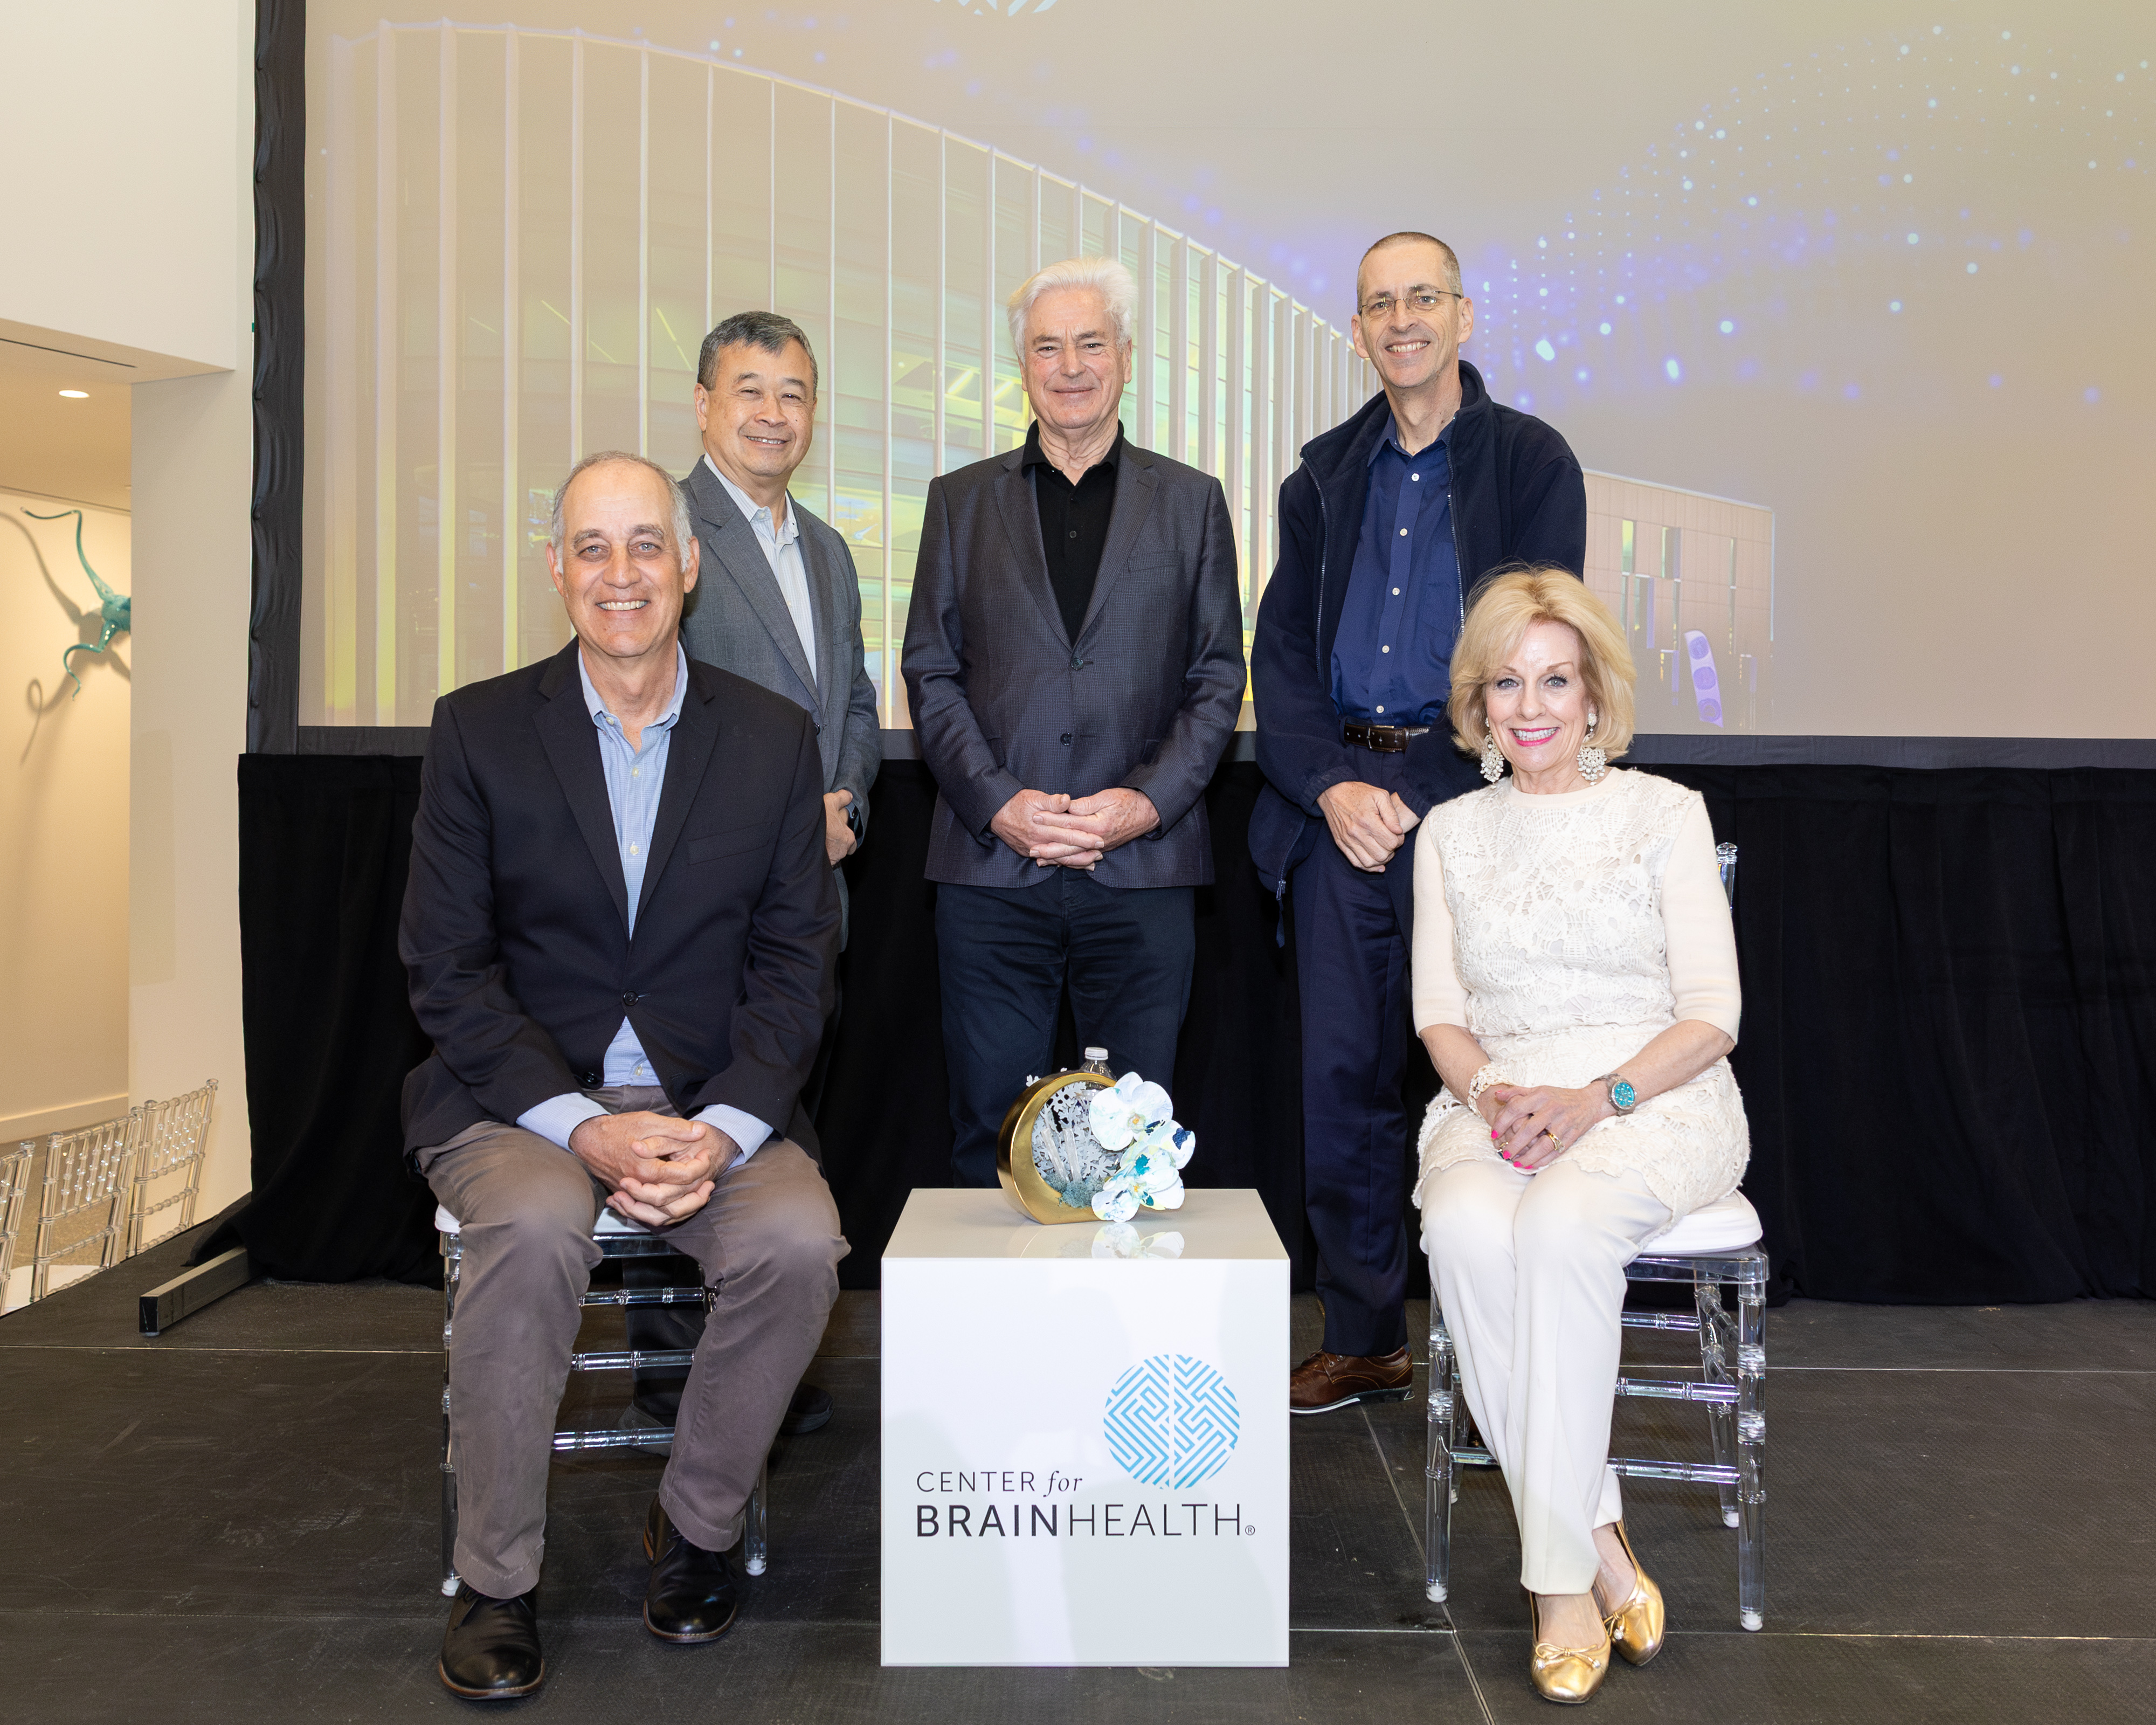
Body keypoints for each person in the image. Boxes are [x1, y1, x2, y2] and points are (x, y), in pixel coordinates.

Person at [400, 451, 845, 1700]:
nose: (621, 574)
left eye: (645, 543)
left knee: (801, 1240)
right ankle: (496, 1576)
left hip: (711, 1102)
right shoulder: (478, 729)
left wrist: (721, 1129)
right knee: (539, 1224)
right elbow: (446, 969)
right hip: (519, 1105)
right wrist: (581, 1130)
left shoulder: (771, 740)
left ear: (690, 562)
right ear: (556, 570)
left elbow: (797, 963)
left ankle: (694, 1524)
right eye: (591, 547)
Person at [1249, 231, 1587, 1415]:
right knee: (1343, 1080)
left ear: (1464, 314)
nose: (1400, 320)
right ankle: (1362, 1334)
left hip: (1481, 809)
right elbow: (1280, 657)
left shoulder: (1531, 462)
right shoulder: (1320, 478)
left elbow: (1543, 647)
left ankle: (1499, 1348)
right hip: (1340, 814)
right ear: (1355, 332)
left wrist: (1427, 796)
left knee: (1490, 1073)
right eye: (1377, 304)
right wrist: (1328, 789)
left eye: (1421, 298)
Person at [1413, 568, 1747, 1705]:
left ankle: (1555, 1585)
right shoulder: (1450, 832)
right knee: (1459, 1222)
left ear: (1595, 695)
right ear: (1476, 704)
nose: (1530, 704)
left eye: (1554, 678)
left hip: (1647, 1097)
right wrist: (1494, 1094)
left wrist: (1595, 1098)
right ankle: (1602, 1545)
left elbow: (1711, 1014)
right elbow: (1438, 1018)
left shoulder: (1663, 814)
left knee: (1556, 1227)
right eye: (1504, 681)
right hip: (1498, 1100)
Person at [901, 256, 1244, 1186]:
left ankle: (1116, 1331)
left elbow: (1217, 681)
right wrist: (1000, 803)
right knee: (989, 1126)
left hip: (1141, 867)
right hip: (992, 866)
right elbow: (930, 672)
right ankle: (995, 1334)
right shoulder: (960, 502)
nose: (1071, 365)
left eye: (1092, 342)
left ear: (1127, 358)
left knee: (1134, 1135)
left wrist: (1143, 804)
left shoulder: (1192, 502)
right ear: (1024, 369)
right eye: (1047, 347)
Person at [620, 309, 881, 1445]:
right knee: (678, 1126)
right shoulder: (667, 539)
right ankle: (677, 1387)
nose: (774, 414)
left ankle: (750, 1368)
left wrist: (849, 804)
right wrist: (786, 822)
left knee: (769, 1123)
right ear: (702, 404)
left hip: (806, 905)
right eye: (750, 391)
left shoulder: (823, 547)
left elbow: (855, 708)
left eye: (794, 394)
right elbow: (651, 716)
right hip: (696, 908)